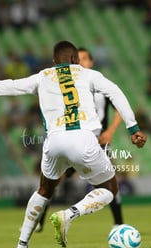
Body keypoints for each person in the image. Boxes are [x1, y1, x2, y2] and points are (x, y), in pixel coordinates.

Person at [0, 40, 146, 248]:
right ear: (75, 59)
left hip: (53, 142)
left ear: (54, 62)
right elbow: (116, 92)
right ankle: (70, 214)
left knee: (44, 190)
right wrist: (134, 127)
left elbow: (7, 85)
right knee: (110, 188)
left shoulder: (43, 76)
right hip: (84, 139)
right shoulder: (88, 74)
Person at [36, 47, 125, 231]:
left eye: (85, 58)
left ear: (91, 62)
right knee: (52, 181)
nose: (82, 62)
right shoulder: (70, 86)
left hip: (98, 142)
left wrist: (110, 131)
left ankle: (118, 223)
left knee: (109, 183)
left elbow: (119, 109)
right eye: (79, 58)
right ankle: (40, 221)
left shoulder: (99, 84)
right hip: (74, 139)